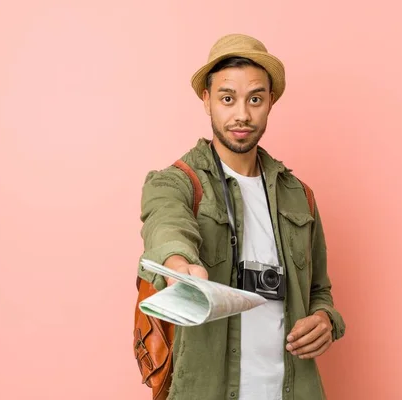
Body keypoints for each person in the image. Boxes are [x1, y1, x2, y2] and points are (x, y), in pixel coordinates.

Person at [137, 33, 345, 400]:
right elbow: (165, 223)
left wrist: (326, 319)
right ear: (207, 100)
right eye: (227, 98)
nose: (242, 115)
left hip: (293, 390)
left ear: (270, 102)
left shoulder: (299, 196)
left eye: (255, 99)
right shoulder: (175, 182)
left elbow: (320, 291)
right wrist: (179, 263)